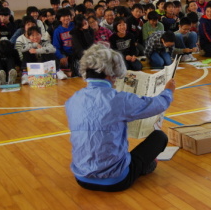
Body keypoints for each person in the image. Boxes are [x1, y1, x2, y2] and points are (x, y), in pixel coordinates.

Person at [65, 44, 175, 192]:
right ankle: (144, 166)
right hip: (116, 181)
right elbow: (158, 105)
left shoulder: (73, 99)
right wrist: (168, 91)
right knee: (159, 137)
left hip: (82, 178)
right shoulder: (117, 99)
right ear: (110, 74)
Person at [52, 8, 74, 77]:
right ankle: (64, 72)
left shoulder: (74, 26)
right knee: (64, 63)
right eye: (63, 16)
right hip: (64, 53)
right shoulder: (57, 31)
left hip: (76, 51)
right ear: (59, 19)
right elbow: (56, 46)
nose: (66, 18)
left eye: (68, 16)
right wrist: (61, 57)